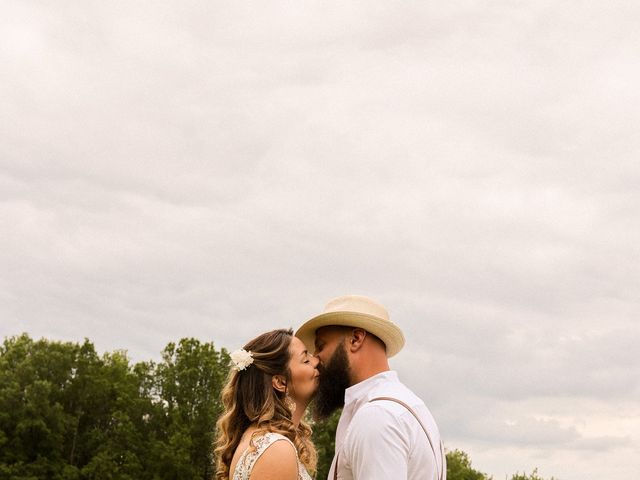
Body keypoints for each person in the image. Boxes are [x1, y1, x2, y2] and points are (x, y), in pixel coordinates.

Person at [296, 295, 446, 480]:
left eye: (321, 346)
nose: (316, 358)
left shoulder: (377, 415)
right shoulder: (411, 406)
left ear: (356, 339)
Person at [214, 328, 320, 480]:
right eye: (306, 360)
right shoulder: (276, 449)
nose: (316, 361)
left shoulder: (263, 441)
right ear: (280, 382)